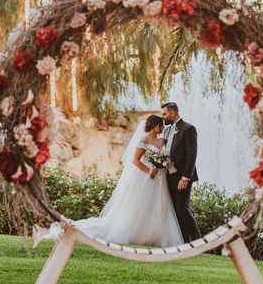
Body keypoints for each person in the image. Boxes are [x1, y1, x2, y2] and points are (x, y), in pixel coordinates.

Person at [33, 114, 184, 247]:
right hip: (145, 177)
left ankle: (156, 233)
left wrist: (165, 166)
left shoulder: (161, 142)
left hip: (159, 180)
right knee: (140, 205)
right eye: (161, 125)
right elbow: (136, 161)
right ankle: (137, 232)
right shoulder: (143, 141)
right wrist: (149, 170)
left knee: (158, 204)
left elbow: (166, 155)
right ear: (155, 126)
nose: (163, 128)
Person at [160, 102, 202, 242]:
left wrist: (185, 177)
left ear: (173, 113)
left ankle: (197, 241)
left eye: (164, 114)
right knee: (175, 211)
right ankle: (185, 241)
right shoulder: (166, 130)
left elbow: (192, 154)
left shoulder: (188, 128)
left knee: (182, 209)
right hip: (168, 175)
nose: (163, 117)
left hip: (182, 177)